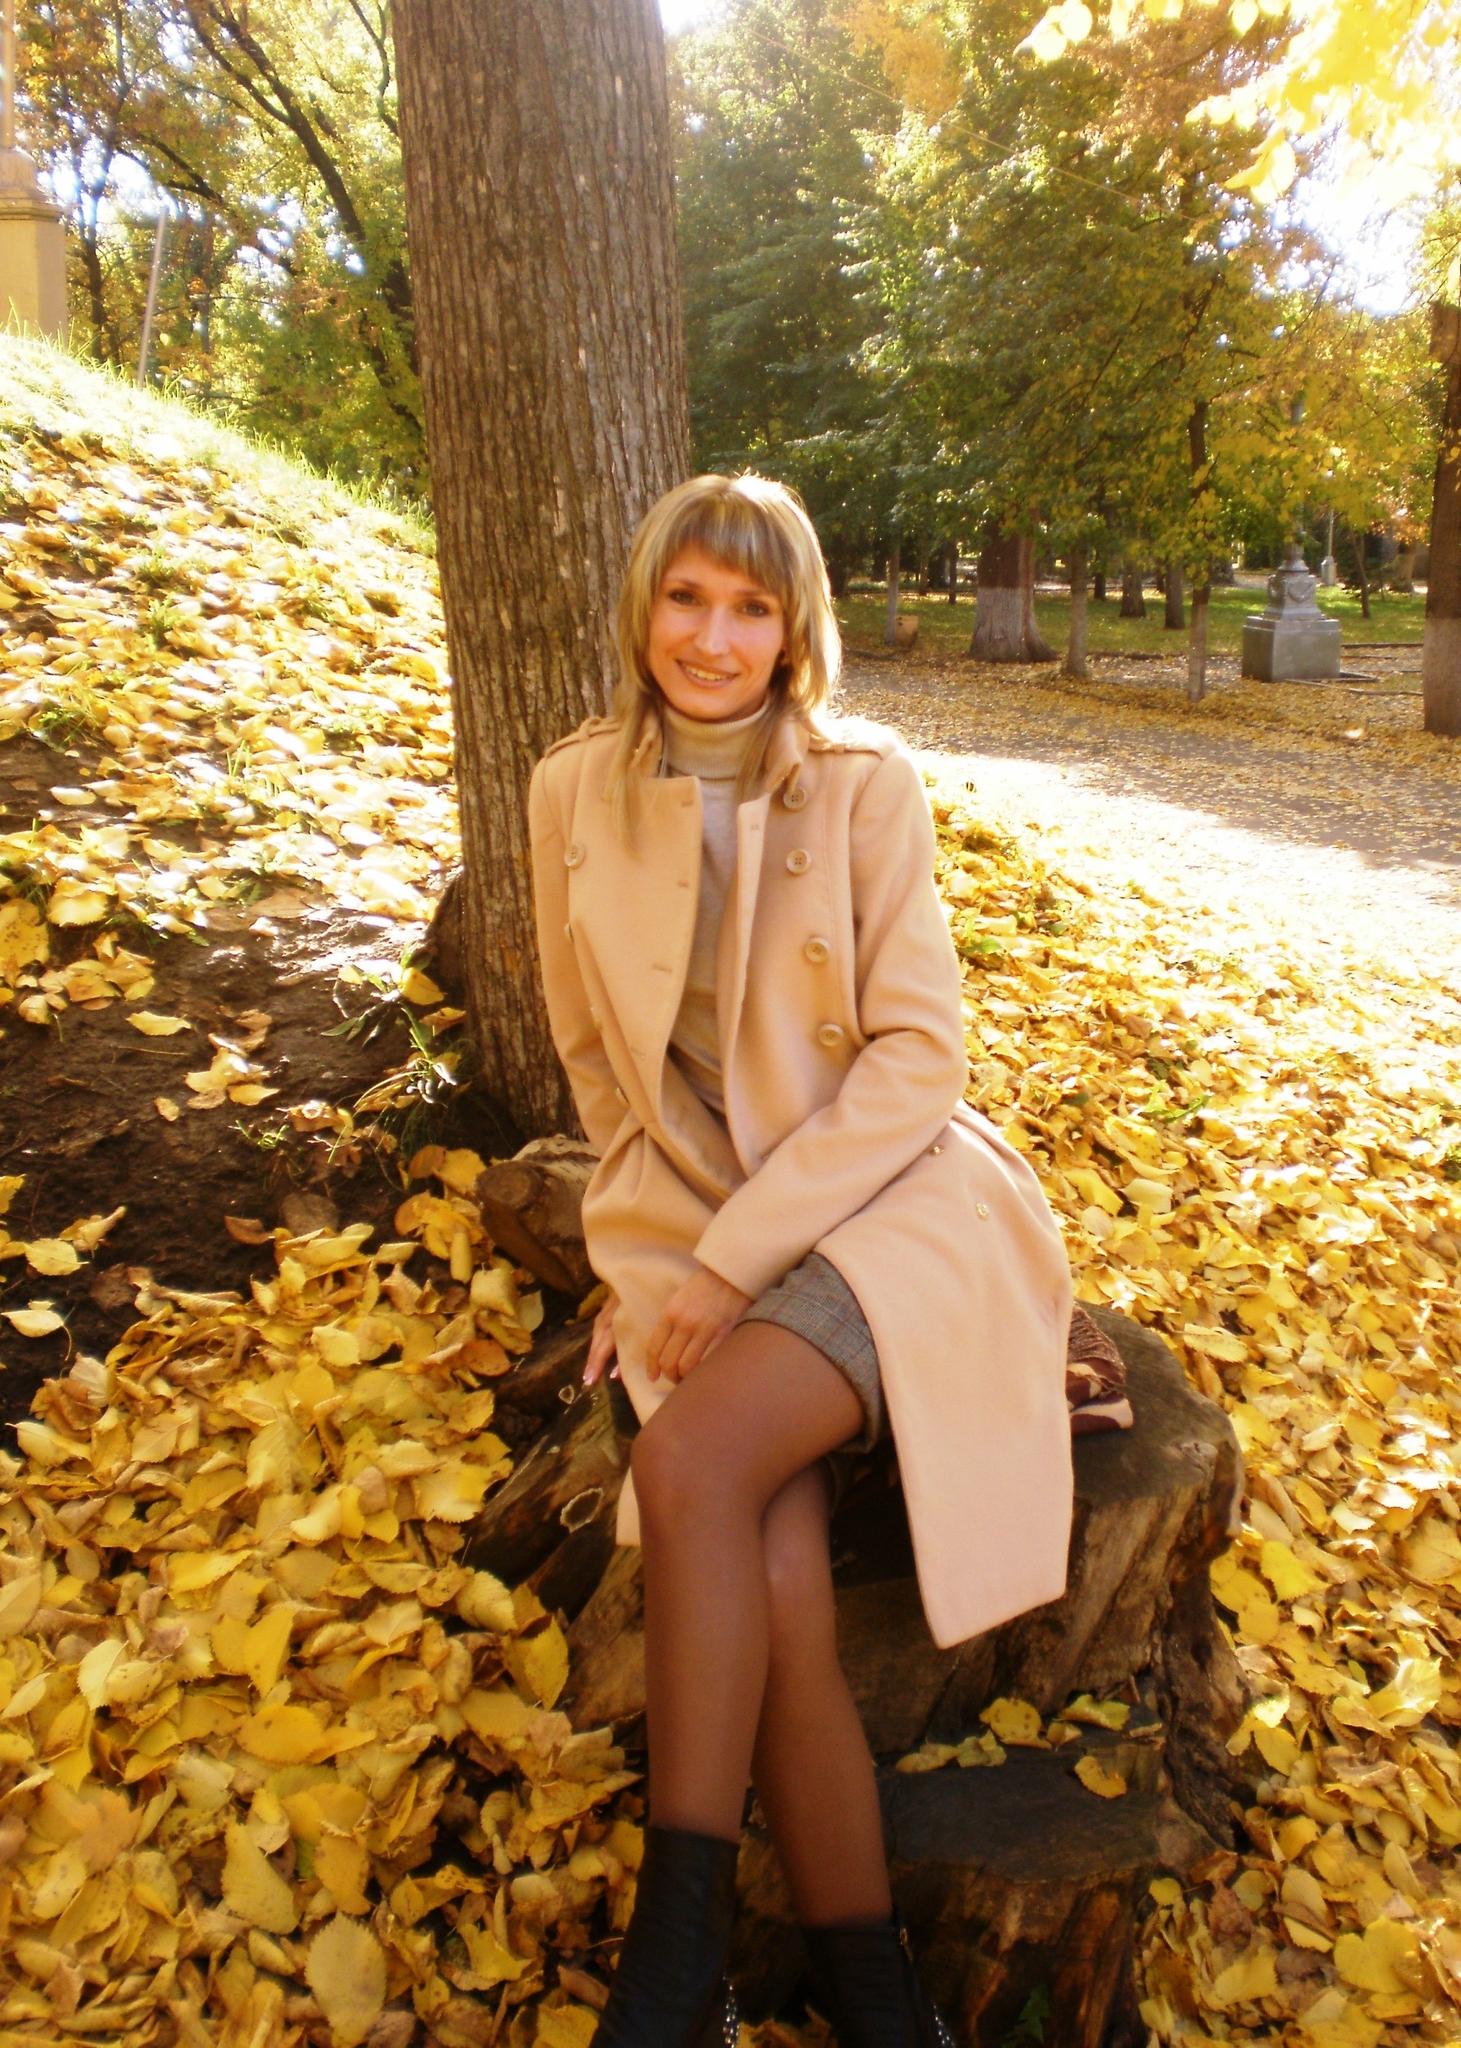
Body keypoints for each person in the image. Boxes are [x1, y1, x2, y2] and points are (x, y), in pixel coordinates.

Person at [528, 475, 1074, 2048]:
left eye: (751, 608)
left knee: (692, 1461)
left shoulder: (861, 783)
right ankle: (870, 1986)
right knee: (775, 1592)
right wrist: (646, 1255)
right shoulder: (569, 788)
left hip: (894, 1199)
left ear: (793, 630)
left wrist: (732, 1266)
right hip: (695, 1205)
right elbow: (595, 1064)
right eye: (687, 598)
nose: (713, 638)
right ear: (644, 608)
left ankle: (670, 1965)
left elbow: (919, 1061)